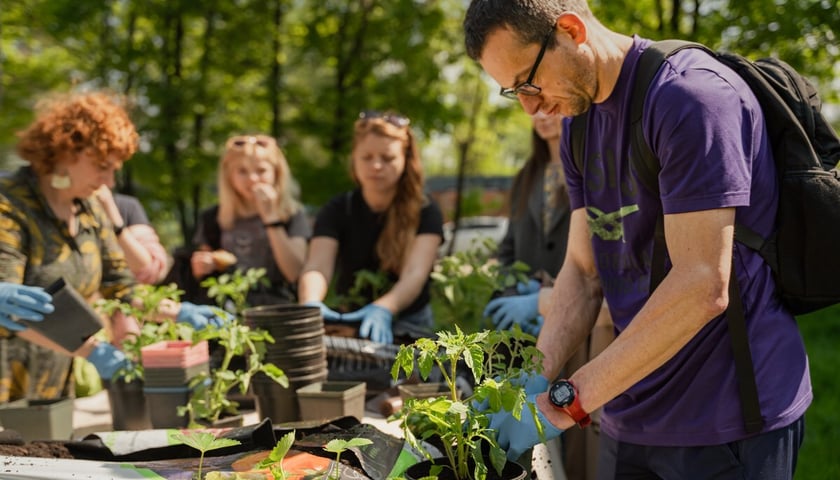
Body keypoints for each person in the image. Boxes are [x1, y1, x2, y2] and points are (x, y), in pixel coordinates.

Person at [463, 2, 810, 479]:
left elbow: (702, 285)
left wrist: (563, 403)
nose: (529, 106)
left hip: (727, 419)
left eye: (528, 81)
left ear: (570, 30)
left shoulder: (689, 97)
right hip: (630, 412)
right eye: (512, 92)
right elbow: (584, 274)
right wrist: (531, 379)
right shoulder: (578, 126)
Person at [0, 91, 227, 403]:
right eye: (102, 166)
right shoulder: (9, 203)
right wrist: (94, 351)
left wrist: (178, 312)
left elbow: (120, 289)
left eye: (114, 169)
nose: (108, 180)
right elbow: (11, 309)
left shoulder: (90, 209)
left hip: (54, 385)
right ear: (67, 151)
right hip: (8, 381)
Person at [484, 113, 613, 480]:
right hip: (541, 326)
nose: (540, 114)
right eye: (531, 108)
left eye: (551, 107)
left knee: (582, 423)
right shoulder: (527, 176)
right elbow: (509, 248)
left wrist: (546, 297)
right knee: (542, 420)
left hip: (588, 318)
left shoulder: (593, 169)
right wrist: (510, 288)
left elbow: (588, 261)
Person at [298, 111, 444, 345]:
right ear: (354, 159)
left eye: (387, 158)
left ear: (406, 160)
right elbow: (317, 266)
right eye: (366, 157)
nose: (376, 166)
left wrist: (383, 308)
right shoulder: (338, 209)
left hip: (412, 324)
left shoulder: (426, 211)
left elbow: (415, 274)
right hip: (351, 321)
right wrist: (310, 303)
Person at [190, 134, 310, 307]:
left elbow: (295, 272)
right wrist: (201, 267)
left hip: (278, 308)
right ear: (229, 176)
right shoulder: (213, 218)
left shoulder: (291, 214)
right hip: (227, 309)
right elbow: (201, 278)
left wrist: (271, 218)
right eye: (242, 171)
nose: (252, 179)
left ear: (276, 173)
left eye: (261, 171)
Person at [95, 185, 169, 285]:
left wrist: (114, 219)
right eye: (102, 168)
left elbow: (151, 270)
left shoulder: (126, 206)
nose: (111, 182)